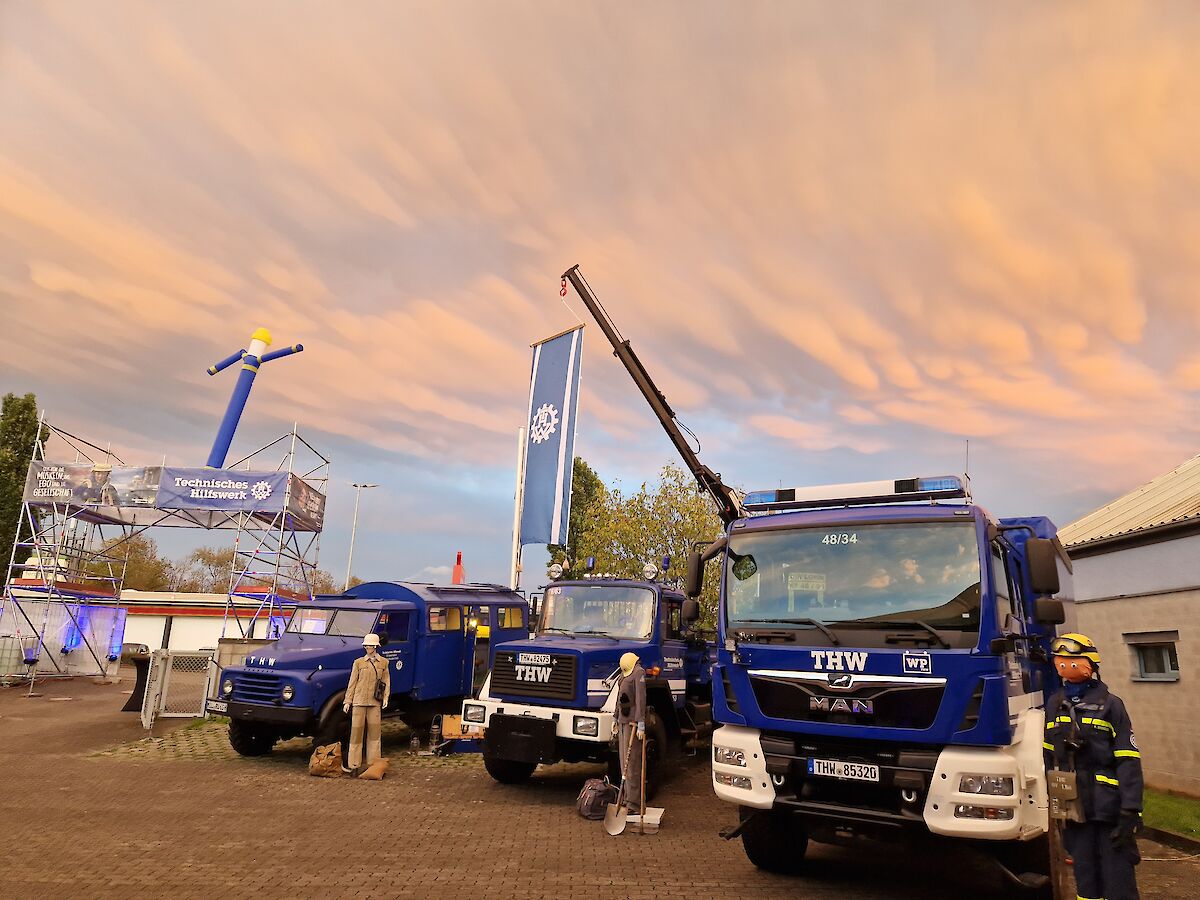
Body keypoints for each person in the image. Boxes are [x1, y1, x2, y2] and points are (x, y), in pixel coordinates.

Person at [1044, 633, 1143, 900]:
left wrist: (1131, 809)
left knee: (1117, 879)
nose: (1066, 665)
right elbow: (1048, 757)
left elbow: (1128, 759)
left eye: (1073, 660)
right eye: (1061, 660)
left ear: (1091, 664)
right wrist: (1054, 802)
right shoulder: (1054, 704)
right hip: (1075, 810)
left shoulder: (1111, 705)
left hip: (1110, 809)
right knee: (1085, 880)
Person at [342, 633, 390, 773]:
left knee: (374, 736)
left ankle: (373, 765)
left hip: (375, 703)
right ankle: (354, 766)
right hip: (358, 702)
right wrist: (348, 701)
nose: (368, 648)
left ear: (376, 646)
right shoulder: (358, 663)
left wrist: (385, 697)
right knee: (356, 735)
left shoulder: (384, 663)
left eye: (370, 645)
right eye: (366, 645)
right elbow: (352, 683)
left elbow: (386, 682)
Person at [614, 651, 646, 812]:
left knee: (632, 763)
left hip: (633, 723)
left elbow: (641, 699)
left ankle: (634, 802)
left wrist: (641, 722)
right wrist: (615, 717)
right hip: (622, 721)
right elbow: (619, 697)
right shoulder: (623, 674)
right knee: (623, 763)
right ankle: (626, 798)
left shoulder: (638, 673)